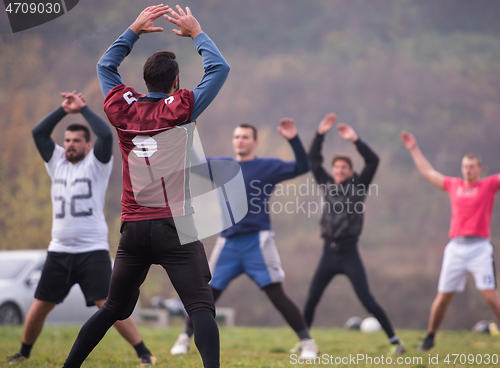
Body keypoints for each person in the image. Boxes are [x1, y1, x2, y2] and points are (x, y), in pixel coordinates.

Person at [60, 5, 229, 368]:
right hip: (174, 226)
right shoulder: (182, 107)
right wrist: (197, 32)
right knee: (201, 308)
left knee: (113, 309)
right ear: (175, 84)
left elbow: (105, 66)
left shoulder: (124, 109)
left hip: (133, 229)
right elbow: (220, 69)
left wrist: (133, 30)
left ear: (144, 80)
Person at [8, 91, 156, 367]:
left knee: (108, 304)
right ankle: (24, 352)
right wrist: (65, 110)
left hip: (92, 249)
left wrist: (84, 109)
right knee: (40, 304)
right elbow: (39, 133)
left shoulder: (96, 164)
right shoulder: (56, 163)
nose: (70, 145)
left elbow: (107, 136)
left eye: (76, 141)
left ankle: (144, 352)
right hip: (60, 250)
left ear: (88, 145)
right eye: (67, 141)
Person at [170, 118, 320, 359]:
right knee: (206, 294)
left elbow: (303, 167)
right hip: (228, 243)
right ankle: (185, 337)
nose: (240, 140)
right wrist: (188, 135)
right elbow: (193, 163)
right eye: (237, 136)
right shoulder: (223, 166)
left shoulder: (268, 166)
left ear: (255, 142)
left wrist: (293, 139)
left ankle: (308, 342)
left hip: (257, 243)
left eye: (245, 137)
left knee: (276, 293)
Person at [303, 113, 405, 354]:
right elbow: (313, 159)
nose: (338, 170)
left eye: (343, 168)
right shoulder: (326, 183)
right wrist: (320, 135)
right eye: (336, 167)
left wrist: (355, 140)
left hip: (349, 253)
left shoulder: (359, 186)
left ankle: (394, 341)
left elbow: (373, 161)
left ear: (350, 171)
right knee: (311, 299)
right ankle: (304, 342)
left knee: (367, 299)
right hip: (328, 252)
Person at [401, 131, 500, 351]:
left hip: (479, 247)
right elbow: (428, 172)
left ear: (479, 169)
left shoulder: (488, 185)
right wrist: (413, 149)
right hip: (456, 248)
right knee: (443, 296)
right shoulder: (454, 185)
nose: (468, 170)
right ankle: (430, 337)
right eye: (465, 166)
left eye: (472, 166)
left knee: (490, 296)